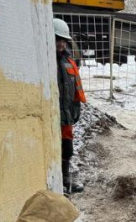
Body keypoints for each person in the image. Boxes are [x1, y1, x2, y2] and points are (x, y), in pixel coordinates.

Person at [54, 18, 87, 195]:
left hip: (65, 113)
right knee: (54, 146)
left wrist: (74, 111)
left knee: (67, 147)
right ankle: (57, 182)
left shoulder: (69, 61)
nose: (61, 44)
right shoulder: (47, 61)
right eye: (57, 39)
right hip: (52, 114)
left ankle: (66, 180)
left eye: (63, 40)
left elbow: (74, 89)